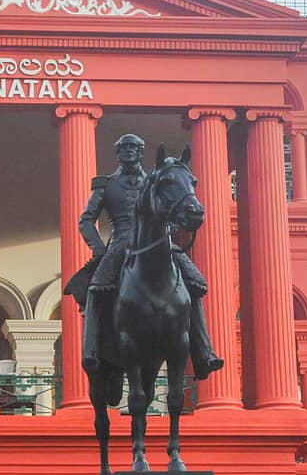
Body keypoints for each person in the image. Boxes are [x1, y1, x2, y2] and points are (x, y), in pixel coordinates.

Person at [73, 133, 223, 380]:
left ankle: (204, 351)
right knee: (96, 287)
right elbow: (86, 220)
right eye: (124, 147)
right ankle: (91, 350)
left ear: (142, 153)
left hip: (158, 241)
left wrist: (170, 229)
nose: (129, 151)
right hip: (120, 241)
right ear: (117, 153)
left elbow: (171, 208)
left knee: (196, 283)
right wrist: (98, 248)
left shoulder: (158, 181)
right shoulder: (106, 184)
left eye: (135, 147)